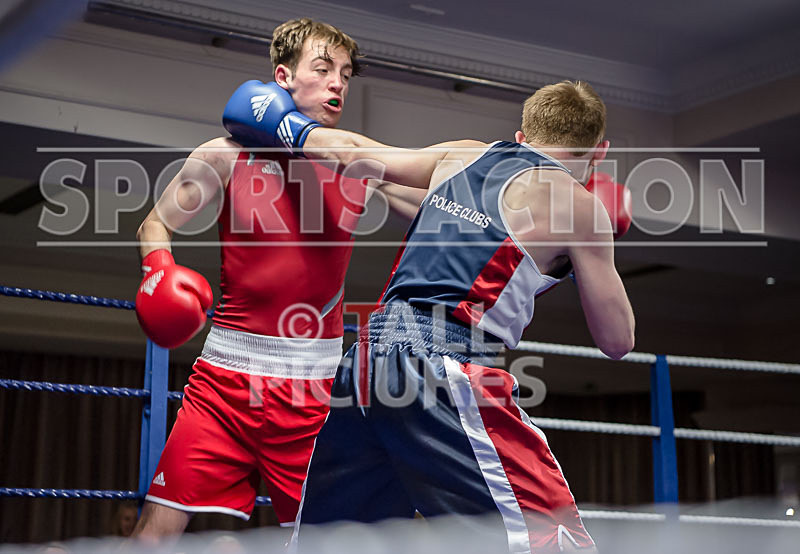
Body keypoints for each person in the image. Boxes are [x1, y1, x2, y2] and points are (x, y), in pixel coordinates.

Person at [222, 79, 634, 552]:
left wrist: (281, 123)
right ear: (599, 152)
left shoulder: (462, 154)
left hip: (364, 364)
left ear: (522, 135)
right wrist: (593, 254)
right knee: (549, 538)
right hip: (446, 364)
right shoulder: (580, 207)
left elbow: (356, 152)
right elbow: (617, 341)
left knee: (334, 542)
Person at [132, 18, 424, 543]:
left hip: (312, 393)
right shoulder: (224, 154)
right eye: (323, 68)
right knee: (155, 532)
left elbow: (433, 212)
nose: (338, 82)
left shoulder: (355, 161)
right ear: (283, 76)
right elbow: (154, 223)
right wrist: (159, 271)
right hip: (223, 381)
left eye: (345, 73)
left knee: (322, 540)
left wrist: (529, 210)